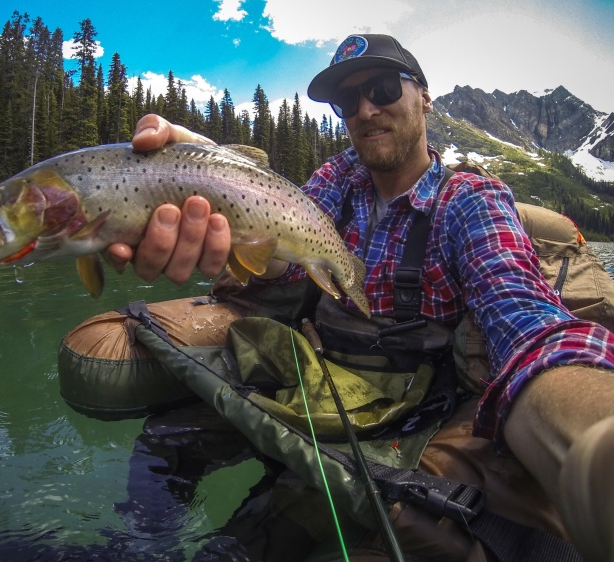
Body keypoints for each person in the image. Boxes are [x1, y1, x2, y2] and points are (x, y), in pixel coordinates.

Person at [100, 34, 614, 561]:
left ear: (424, 96)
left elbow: (523, 317)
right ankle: (137, 542)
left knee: (251, 539)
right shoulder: (335, 179)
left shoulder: (470, 201)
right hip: (316, 375)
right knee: (166, 439)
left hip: (413, 414)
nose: (366, 109)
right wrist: (208, 179)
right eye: (348, 102)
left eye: (383, 88)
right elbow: (277, 263)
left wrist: (593, 438)